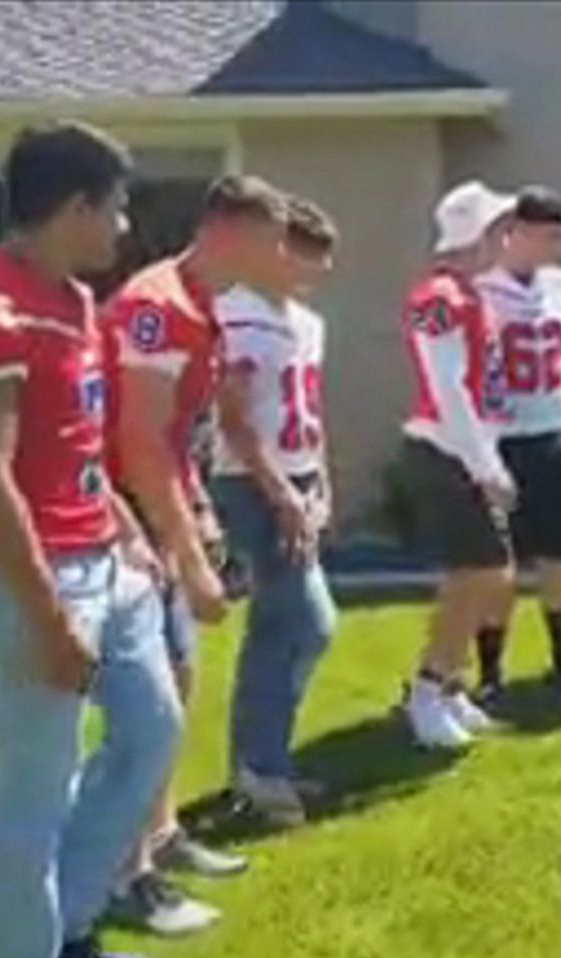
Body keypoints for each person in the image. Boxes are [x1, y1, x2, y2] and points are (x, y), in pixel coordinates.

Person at [0, 122, 183, 958]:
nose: (125, 226)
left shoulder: (78, 302)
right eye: (117, 207)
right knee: (34, 795)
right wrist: (50, 617)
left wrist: (134, 539)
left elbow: (80, 450)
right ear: (75, 208)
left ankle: (63, 930)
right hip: (41, 579)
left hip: (107, 560)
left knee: (151, 734)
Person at [105, 175, 289, 933]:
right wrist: (188, 557)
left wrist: (202, 509)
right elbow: (138, 443)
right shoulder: (158, 307)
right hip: (121, 519)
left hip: (162, 506)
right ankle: (125, 873)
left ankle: (161, 833)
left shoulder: (201, 303)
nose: (279, 254)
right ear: (226, 229)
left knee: (177, 680)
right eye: (269, 237)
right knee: (142, 704)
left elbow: (181, 437)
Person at [212, 197, 339, 828]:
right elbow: (233, 416)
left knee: (286, 626)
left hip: (299, 475)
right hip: (256, 482)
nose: (315, 270)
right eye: (305, 254)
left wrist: (322, 484)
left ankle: (263, 761)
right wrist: (281, 491)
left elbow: (312, 410)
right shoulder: (236, 315)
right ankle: (260, 765)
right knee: (304, 621)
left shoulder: (306, 323)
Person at [401, 180, 518, 750]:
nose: (506, 239)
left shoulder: (470, 295)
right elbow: (446, 385)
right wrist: (486, 464)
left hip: (463, 449)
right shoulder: (439, 296)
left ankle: (446, 683)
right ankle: (427, 688)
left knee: (485, 574)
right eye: (499, 228)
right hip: (444, 450)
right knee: (477, 573)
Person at [473, 187, 561, 697]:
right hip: (501, 437)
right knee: (496, 565)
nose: (555, 247)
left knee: (558, 556)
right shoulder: (480, 291)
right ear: (515, 232)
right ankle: (489, 673)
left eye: (559, 236)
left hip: (552, 430)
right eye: (547, 235)